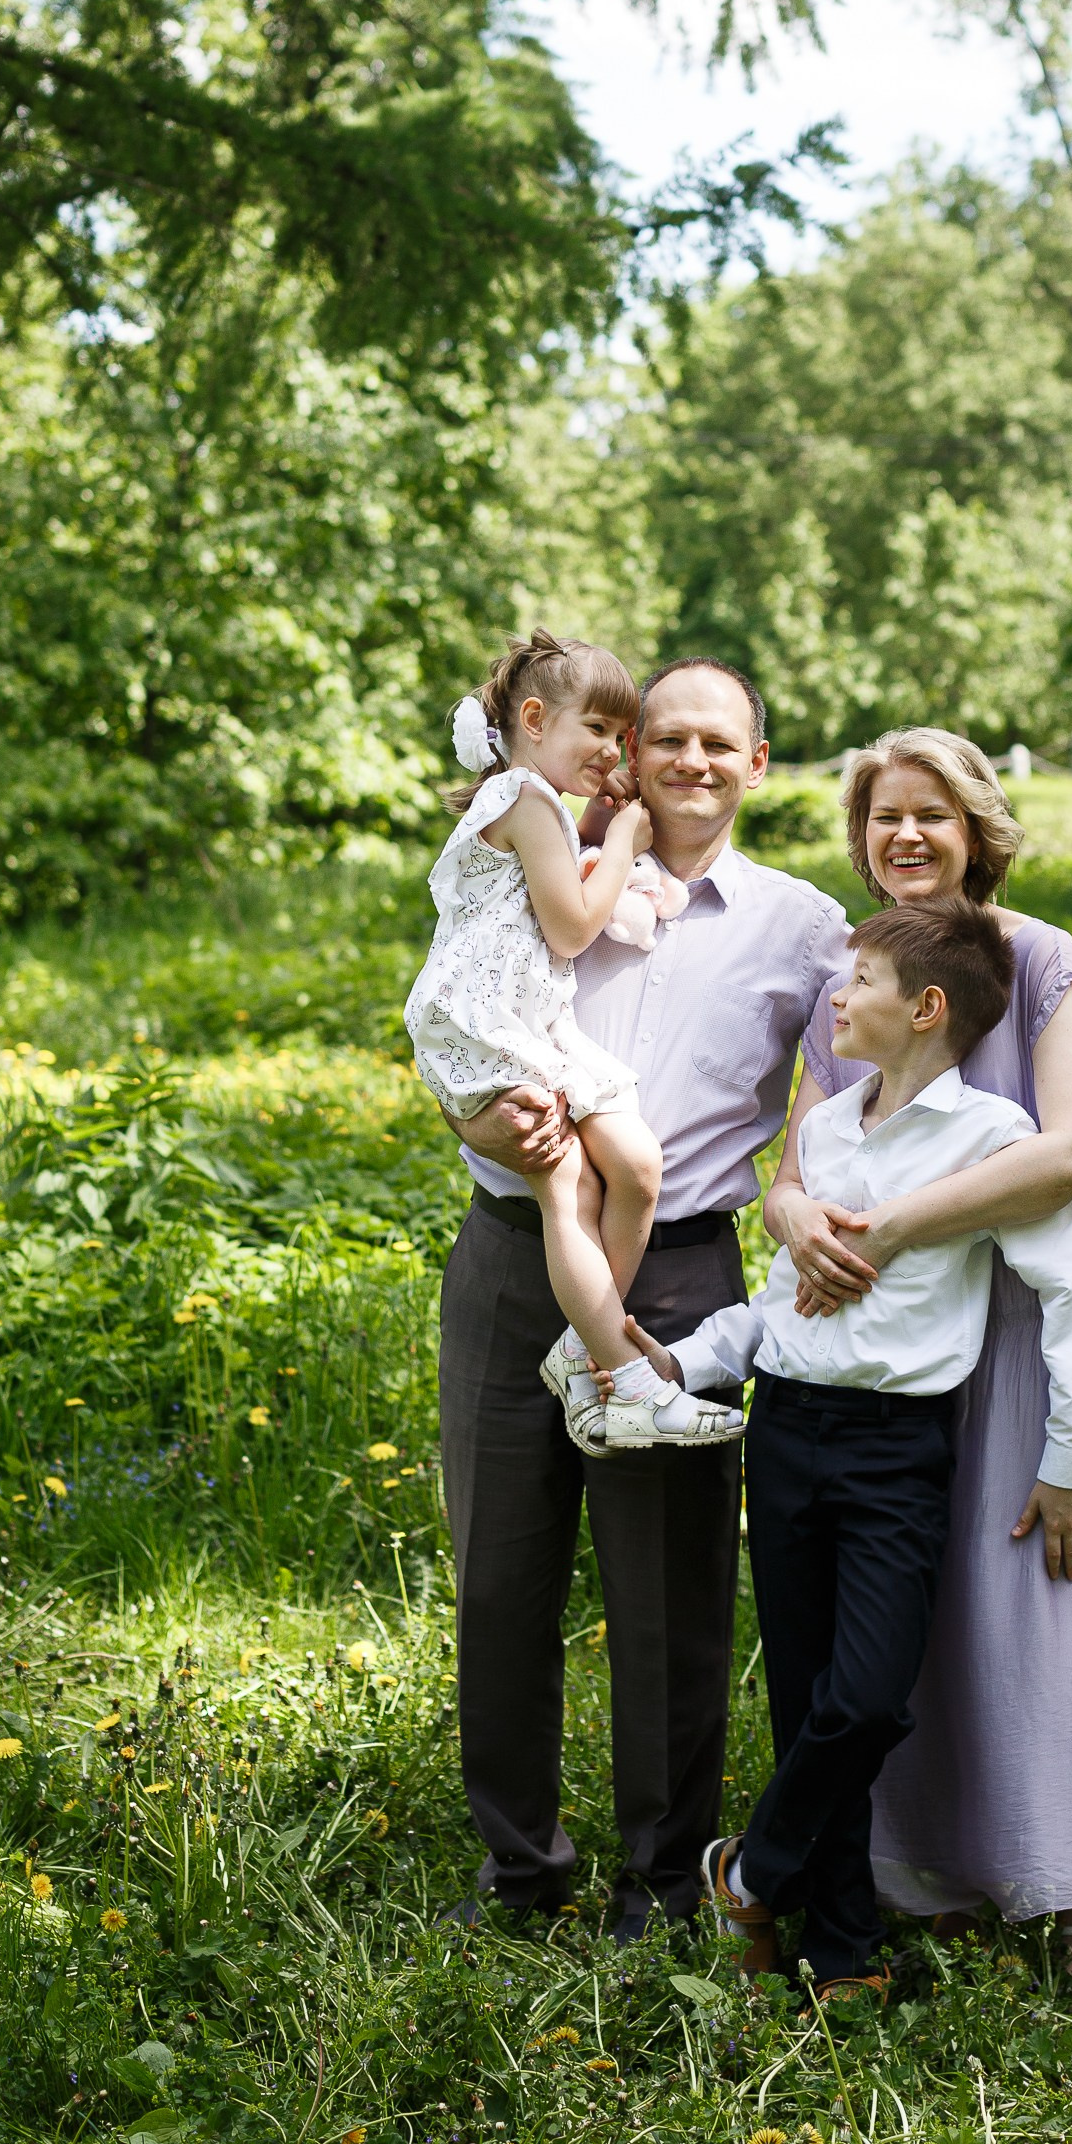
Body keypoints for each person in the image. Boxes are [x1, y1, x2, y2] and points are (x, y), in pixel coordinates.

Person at [628, 897, 1072, 1996]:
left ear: (925, 1008)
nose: (833, 999)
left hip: (896, 1452)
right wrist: (680, 1362)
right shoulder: (824, 1133)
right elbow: (777, 1309)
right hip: (786, 1431)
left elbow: (1071, 1297)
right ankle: (839, 1953)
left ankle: (746, 1872)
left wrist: (1069, 1456)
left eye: (854, 983)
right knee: (805, 1700)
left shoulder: (991, 1142)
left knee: (868, 1700)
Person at [434, 657, 851, 1938]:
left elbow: (916, 1018)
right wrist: (465, 1110)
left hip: (681, 1276)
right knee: (501, 1579)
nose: (689, 762)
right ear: (629, 752)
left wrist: (1065, 1016)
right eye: (666, 737)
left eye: (718, 743)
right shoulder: (546, 864)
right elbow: (457, 1007)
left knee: (666, 1597)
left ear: (757, 765)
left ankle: (660, 1883)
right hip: (512, 1251)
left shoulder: (800, 925)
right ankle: (521, 1873)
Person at [767, 727, 1072, 1987]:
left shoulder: (1036, 957)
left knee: (1042, 1589)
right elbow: (797, 1169)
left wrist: (887, 1229)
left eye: (931, 813)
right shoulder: (859, 974)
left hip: (1019, 1338)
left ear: (978, 826)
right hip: (885, 1350)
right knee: (918, 1623)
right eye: (883, 816)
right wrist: (796, 1223)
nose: (906, 836)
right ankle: (924, 1867)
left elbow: (1070, 1152)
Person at [405, 629, 739, 1453]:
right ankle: (622, 1374)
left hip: (528, 1018)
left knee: (636, 1166)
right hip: (493, 1022)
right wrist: (623, 841)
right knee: (568, 1184)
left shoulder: (536, 803)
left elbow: (561, 872)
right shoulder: (521, 799)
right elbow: (572, 924)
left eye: (620, 736)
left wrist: (596, 824)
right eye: (599, 729)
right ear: (532, 718)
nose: (612, 751)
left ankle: (581, 1352)